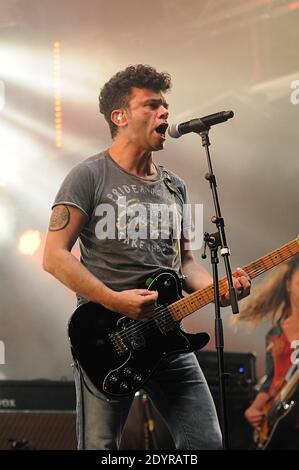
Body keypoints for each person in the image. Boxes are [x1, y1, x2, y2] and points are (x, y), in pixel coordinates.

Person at [43, 64, 251, 450]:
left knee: (206, 441)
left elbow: (186, 263)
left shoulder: (177, 187)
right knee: (101, 448)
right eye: (152, 105)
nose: (165, 113)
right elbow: (54, 257)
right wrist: (114, 299)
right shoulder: (87, 176)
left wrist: (220, 288)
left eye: (165, 105)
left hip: (167, 334)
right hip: (108, 340)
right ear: (119, 116)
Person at [241, 255, 299, 449]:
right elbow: (272, 379)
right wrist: (254, 409)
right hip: (278, 419)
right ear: (288, 284)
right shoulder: (274, 334)